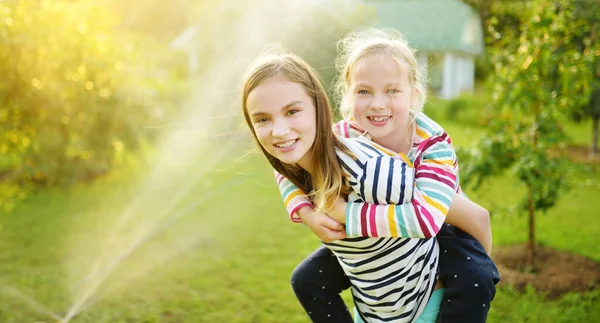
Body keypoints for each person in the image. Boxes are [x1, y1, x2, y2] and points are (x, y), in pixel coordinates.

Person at [241, 47, 493, 322]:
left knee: (475, 277)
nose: (377, 104)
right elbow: (291, 165)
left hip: (441, 219)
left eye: (392, 91)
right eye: (364, 92)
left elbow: (447, 217)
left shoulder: (432, 145)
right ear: (347, 97)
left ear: (414, 97)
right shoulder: (344, 134)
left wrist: (347, 214)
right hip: (386, 241)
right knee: (307, 279)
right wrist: (306, 212)